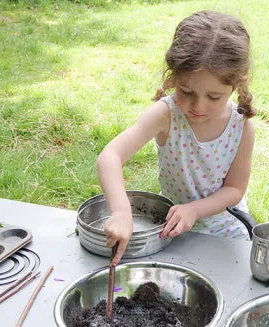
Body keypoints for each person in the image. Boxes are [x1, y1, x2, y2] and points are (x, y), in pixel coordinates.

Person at [97, 10, 256, 265]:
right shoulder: (166, 115)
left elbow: (235, 189)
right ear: (173, 77)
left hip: (227, 234)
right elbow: (110, 157)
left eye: (214, 97)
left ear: (236, 85)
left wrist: (194, 210)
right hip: (173, 233)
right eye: (186, 91)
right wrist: (120, 211)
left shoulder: (241, 127)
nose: (198, 106)